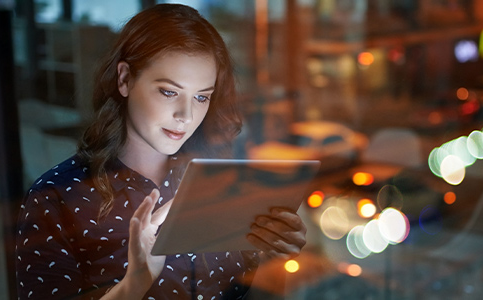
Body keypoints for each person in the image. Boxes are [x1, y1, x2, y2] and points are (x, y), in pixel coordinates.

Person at [15, 4, 306, 299]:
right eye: (169, 92)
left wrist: (274, 256)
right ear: (125, 79)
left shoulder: (220, 183)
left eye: (201, 97)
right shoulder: (55, 197)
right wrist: (134, 285)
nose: (186, 115)